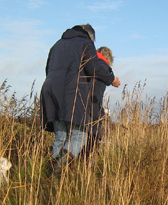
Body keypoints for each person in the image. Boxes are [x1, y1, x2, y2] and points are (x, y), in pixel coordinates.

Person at [40, 24, 120, 168]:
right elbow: (93, 66)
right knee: (79, 135)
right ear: (90, 37)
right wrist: (111, 78)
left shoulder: (56, 45)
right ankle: (59, 171)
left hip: (50, 91)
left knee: (61, 136)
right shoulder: (85, 43)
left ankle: (53, 173)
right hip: (71, 93)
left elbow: (48, 69)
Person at [84, 46, 114, 155]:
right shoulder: (103, 67)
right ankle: (88, 159)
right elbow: (95, 93)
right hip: (93, 106)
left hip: (81, 106)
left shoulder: (88, 65)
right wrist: (99, 112)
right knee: (93, 135)